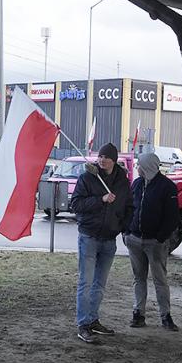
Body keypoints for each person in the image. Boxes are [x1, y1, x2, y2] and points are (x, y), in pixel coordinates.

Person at [71, 143, 134, 344]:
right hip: (89, 237)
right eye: (100, 156)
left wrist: (122, 226)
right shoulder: (88, 178)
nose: (102, 160)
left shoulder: (122, 182)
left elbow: (129, 207)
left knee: (100, 284)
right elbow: (76, 205)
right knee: (86, 282)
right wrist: (101, 199)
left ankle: (93, 320)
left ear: (114, 160)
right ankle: (83, 324)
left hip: (109, 239)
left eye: (106, 157)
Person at [124, 153, 181, 331]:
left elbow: (172, 217)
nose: (137, 167)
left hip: (155, 243)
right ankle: (138, 314)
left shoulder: (167, 187)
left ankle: (166, 316)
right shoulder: (137, 184)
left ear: (147, 166)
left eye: (139, 164)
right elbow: (129, 208)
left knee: (160, 280)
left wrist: (160, 237)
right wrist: (126, 231)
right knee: (138, 278)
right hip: (134, 239)